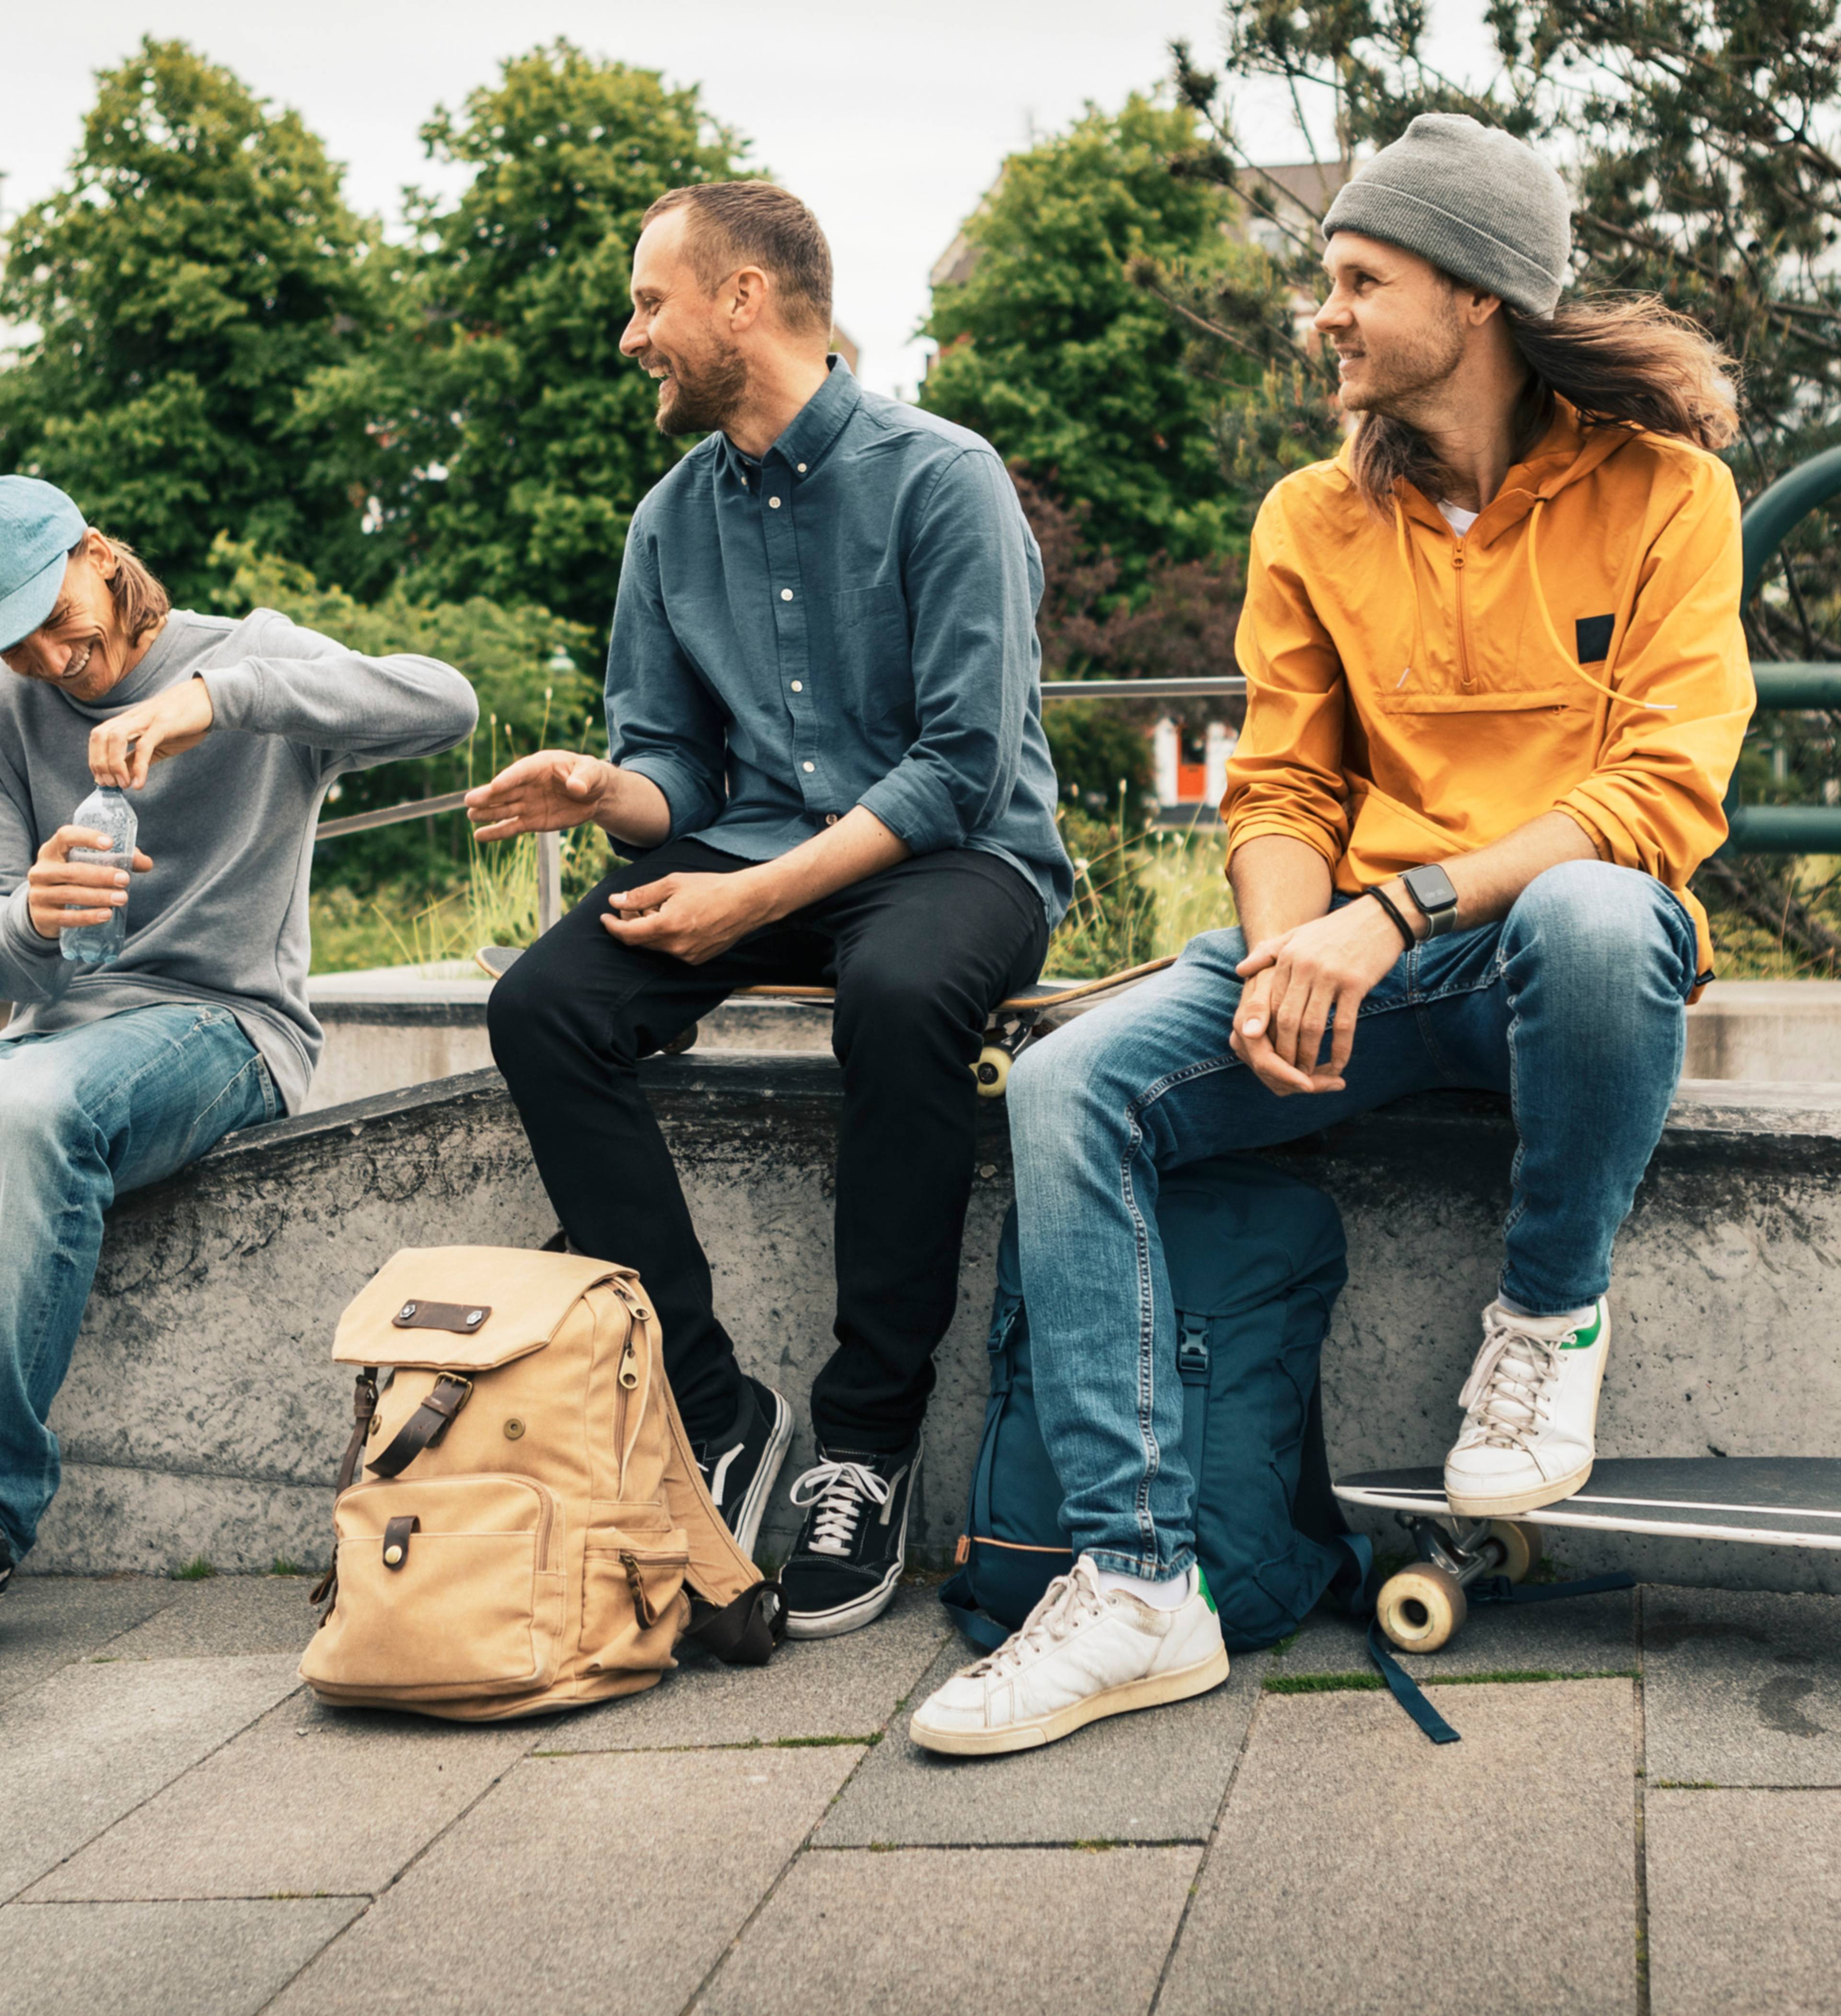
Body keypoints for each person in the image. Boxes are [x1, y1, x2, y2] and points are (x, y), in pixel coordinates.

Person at [909, 113, 1752, 1754]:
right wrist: (1293, 945)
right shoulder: (1311, 514)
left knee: (1598, 914)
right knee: (1066, 1087)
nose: (1328, 313)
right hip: (1358, 956)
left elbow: (1660, 791)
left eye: (1361, 277)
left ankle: (1545, 1319)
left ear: (1479, 294)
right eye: (1330, 280)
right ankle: (1143, 1583)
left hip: (1538, 967)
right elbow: (1284, 781)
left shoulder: (1670, 495)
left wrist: (1396, 912)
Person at [469, 181, 1069, 1641]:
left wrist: (747, 901)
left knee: (904, 992)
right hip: (750, 852)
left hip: (957, 860)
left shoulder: (944, 476)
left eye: (649, 301)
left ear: (742, 298)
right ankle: (716, 1405)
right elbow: (678, 765)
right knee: (544, 1004)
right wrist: (606, 789)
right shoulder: (670, 521)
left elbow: (959, 764)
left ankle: (866, 1440)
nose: (633, 337)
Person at [0, 478, 478, 1592]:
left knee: (27, 1114)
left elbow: (445, 703)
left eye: (51, 616)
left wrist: (227, 699)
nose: (45, 658)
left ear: (99, 555)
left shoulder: (254, 656)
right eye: (12, 643)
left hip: (226, 1026)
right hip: (56, 1033)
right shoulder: (9, 709)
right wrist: (29, 913)